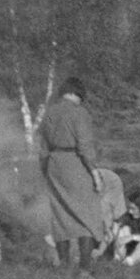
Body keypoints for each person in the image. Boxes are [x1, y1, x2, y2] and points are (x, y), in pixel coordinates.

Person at [39, 76, 109, 268]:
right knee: (87, 215)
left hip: (54, 165)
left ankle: (64, 266)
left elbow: (43, 149)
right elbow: (85, 146)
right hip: (75, 165)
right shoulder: (80, 113)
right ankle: (85, 269)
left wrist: (45, 172)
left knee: (60, 215)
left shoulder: (49, 113)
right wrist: (95, 173)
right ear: (77, 94)